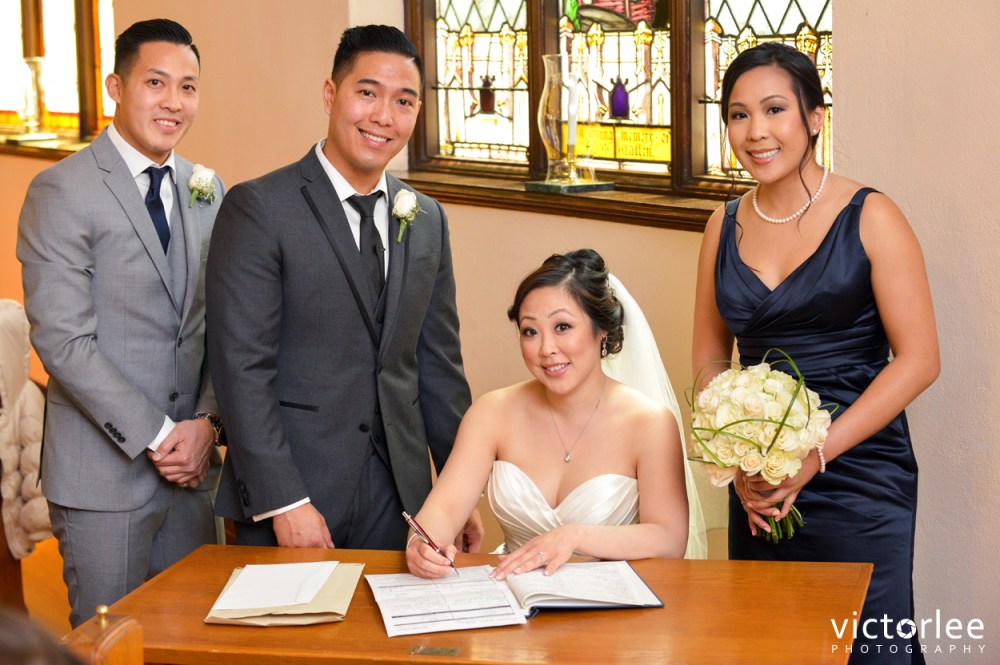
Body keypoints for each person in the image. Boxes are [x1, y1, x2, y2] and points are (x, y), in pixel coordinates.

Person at [692, 42, 938, 663]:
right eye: (739, 115)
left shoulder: (871, 216)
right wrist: (739, 458)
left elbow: (919, 360)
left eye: (774, 109)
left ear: (814, 117)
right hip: (762, 483)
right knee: (770, 642)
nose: (756, 131)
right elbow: (709, 362)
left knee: (867, 644)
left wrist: (814, 454)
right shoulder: (722, 225)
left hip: (859, 474)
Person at [207, 25, 480, 551]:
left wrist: (456, 494)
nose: (384, 116)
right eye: (368, 93)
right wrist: (284, 501)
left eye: (404, 101)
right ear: (331, 94)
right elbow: (241, 368)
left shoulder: (427, 219)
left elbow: (439, 368)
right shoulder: (260, 208)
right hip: (296, 491)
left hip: (402, 498)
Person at [17, 19, 225, 628]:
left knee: (193, 642)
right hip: (104, 480)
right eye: (156, 83)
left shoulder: (206, 188)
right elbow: (64, 342)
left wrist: (207, 424)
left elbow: (223, 327)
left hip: (194, 474)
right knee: (109, 643)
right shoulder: (61, 190)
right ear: (116, 86)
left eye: (188, 87)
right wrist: (161, 436)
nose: (173, 102)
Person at [407, 249, 702, 580]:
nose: (546, 348)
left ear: (602, 329)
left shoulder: (650, 423)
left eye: (562, 326)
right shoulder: (492, 412)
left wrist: (575, 536)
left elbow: (669, 538)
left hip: (614, 600)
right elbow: (444, 509)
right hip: (514, 596)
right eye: (530, 331)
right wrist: (422, 543)